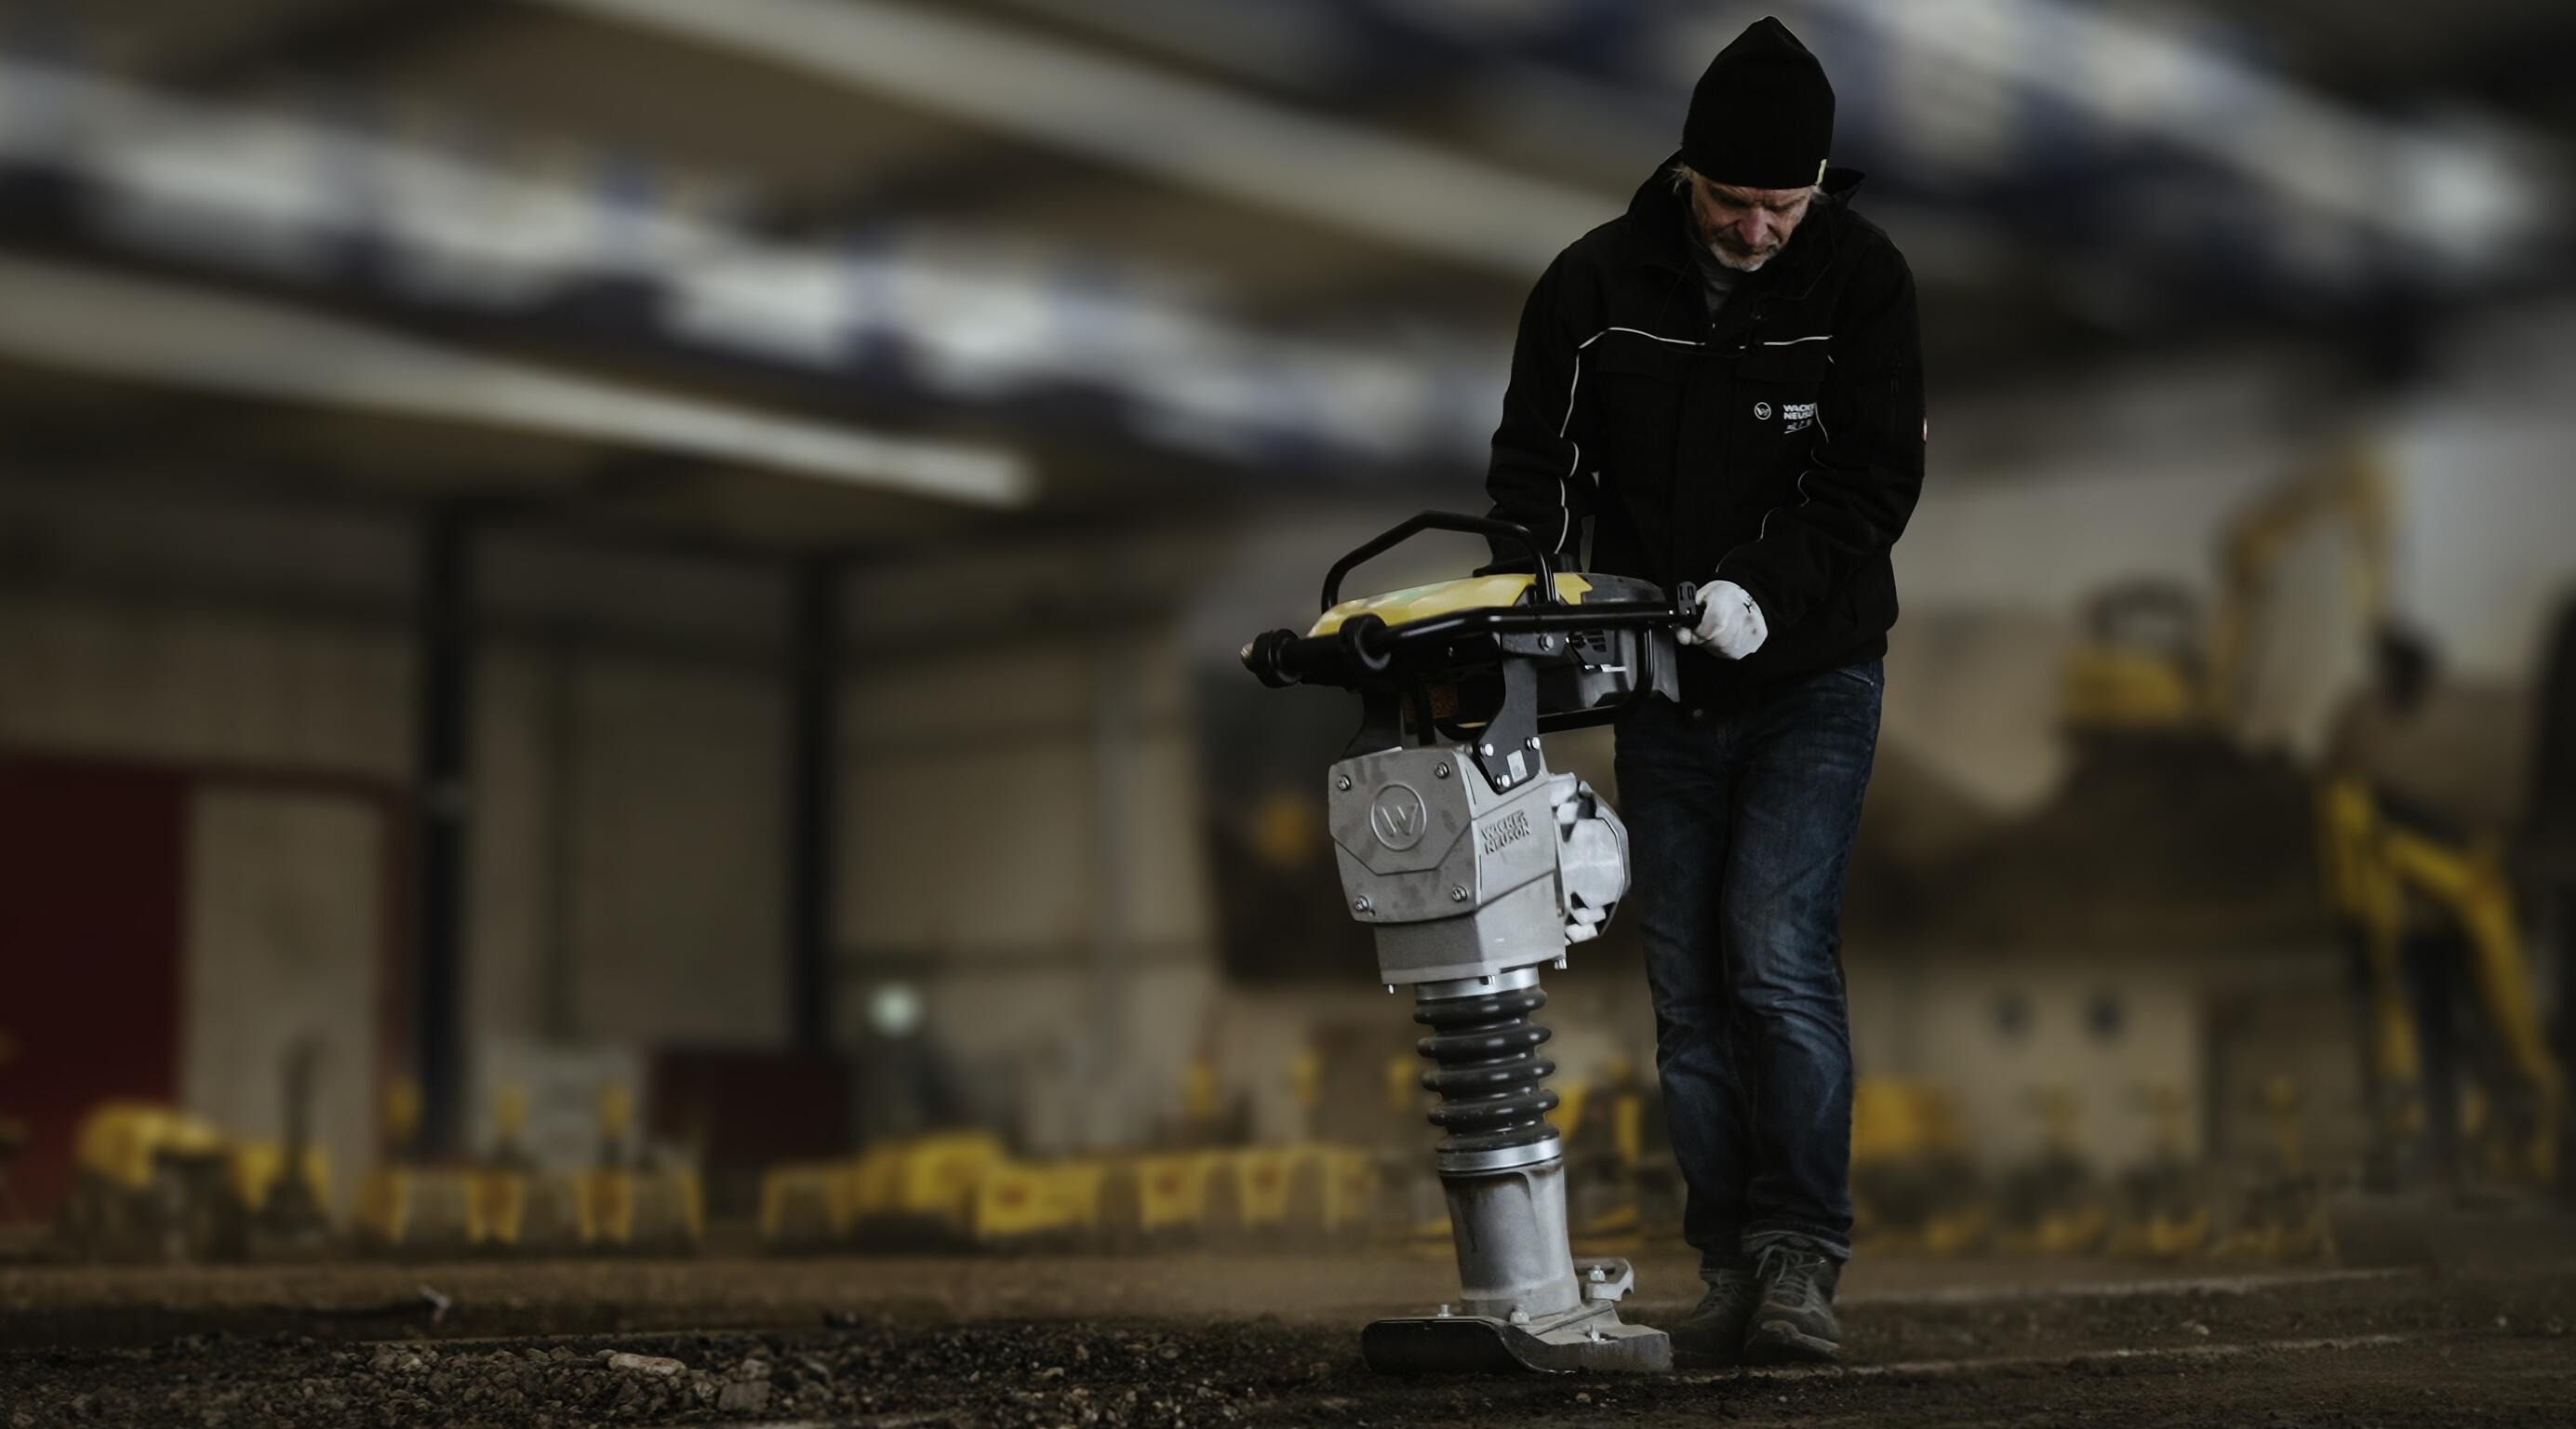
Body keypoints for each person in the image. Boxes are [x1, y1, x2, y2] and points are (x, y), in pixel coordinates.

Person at [1480, 16, 1924, 1364]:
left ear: (1816, 185)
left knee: (1771, 954)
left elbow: (1872, 480)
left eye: (1781, 205)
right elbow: (1529, 469)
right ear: (1687, 174)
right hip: (1658, 684)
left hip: (1812, 672)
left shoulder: (1860, 277)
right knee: (1682, 986)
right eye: (1734, 202)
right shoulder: (1591, 283)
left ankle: (1799, 1259)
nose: (1755, 229)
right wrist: (1526, 594)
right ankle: (1725, 1263)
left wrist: (1763, 586)